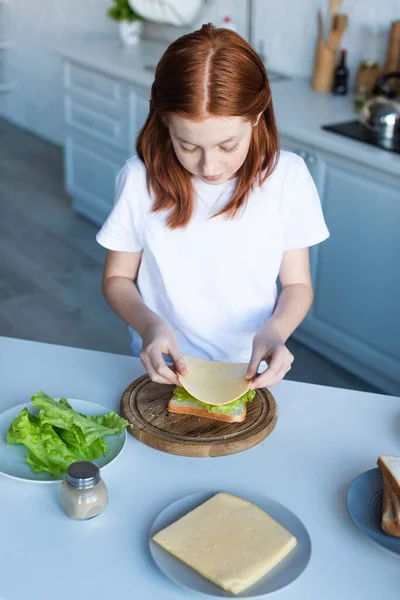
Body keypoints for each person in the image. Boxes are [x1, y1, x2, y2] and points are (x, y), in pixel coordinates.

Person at [96, 24, 329, 390]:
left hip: (247, 370)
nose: (209, 167)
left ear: (256, 116)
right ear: (163, 122)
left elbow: (297, 284)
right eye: (187, 146)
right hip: (163, 366)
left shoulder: (287, 176)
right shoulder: (139, 179)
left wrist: (276, 331)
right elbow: (116, 279)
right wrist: (149, 326)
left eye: (227, 145)